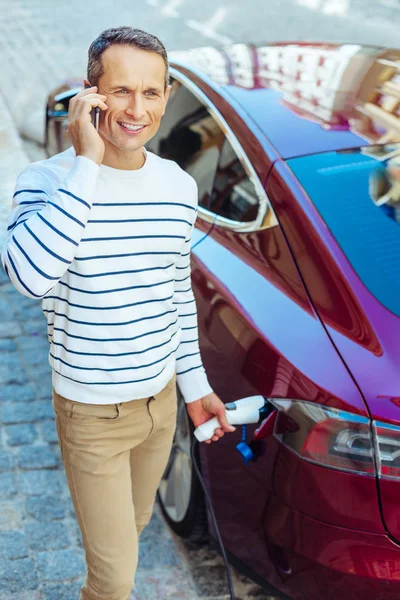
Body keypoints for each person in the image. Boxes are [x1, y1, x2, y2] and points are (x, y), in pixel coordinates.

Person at [1, 26, 236, 600]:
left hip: (159, 411)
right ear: (92, 94)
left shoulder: (177, 187)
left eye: (152, 92)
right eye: (122, 91)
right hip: (92, 415)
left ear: (165, 95)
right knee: (114, 582)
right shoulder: (47, 182)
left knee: (126, 542)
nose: (138, 109)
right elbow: (28, 280)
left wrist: (196, 386)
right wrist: (87, 165)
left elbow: (175, 291)